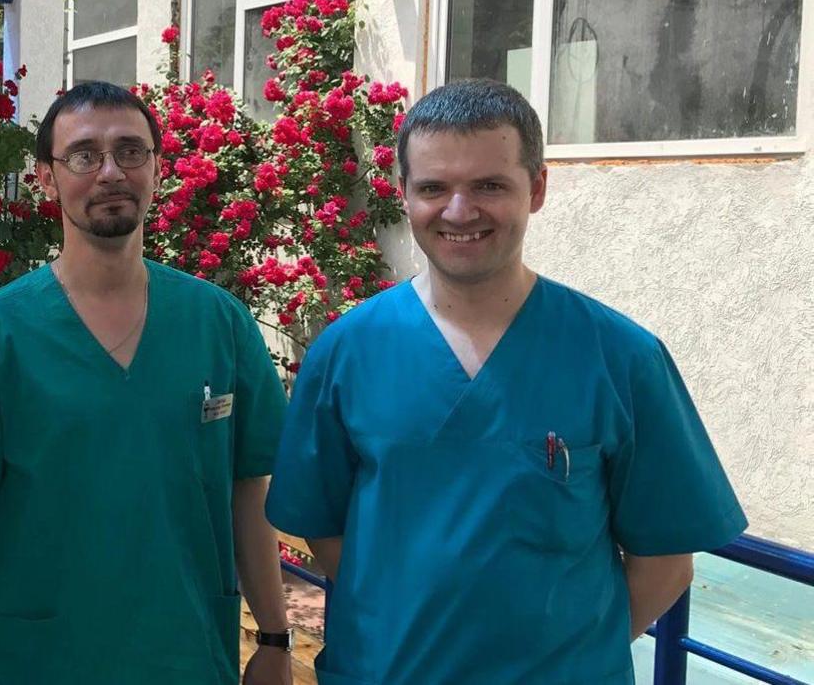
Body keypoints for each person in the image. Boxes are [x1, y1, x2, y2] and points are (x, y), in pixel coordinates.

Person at [266, 78, 747, 685]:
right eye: (433, 188)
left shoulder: (622, 358)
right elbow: (324, 529)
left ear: (537, 188)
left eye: (489, 185)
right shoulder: (345, 353)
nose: (459, 212)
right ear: (404, 195)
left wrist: (562, 653)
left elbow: (665, 564)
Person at [0, 81, 292, 685]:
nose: (110, 171)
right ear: (46, 177)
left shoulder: (218, 323)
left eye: (131, 151)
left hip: (189, 655)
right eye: (84, 155)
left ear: (158, 170)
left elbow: (249, 487)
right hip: (44, 660)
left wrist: (273, 636)